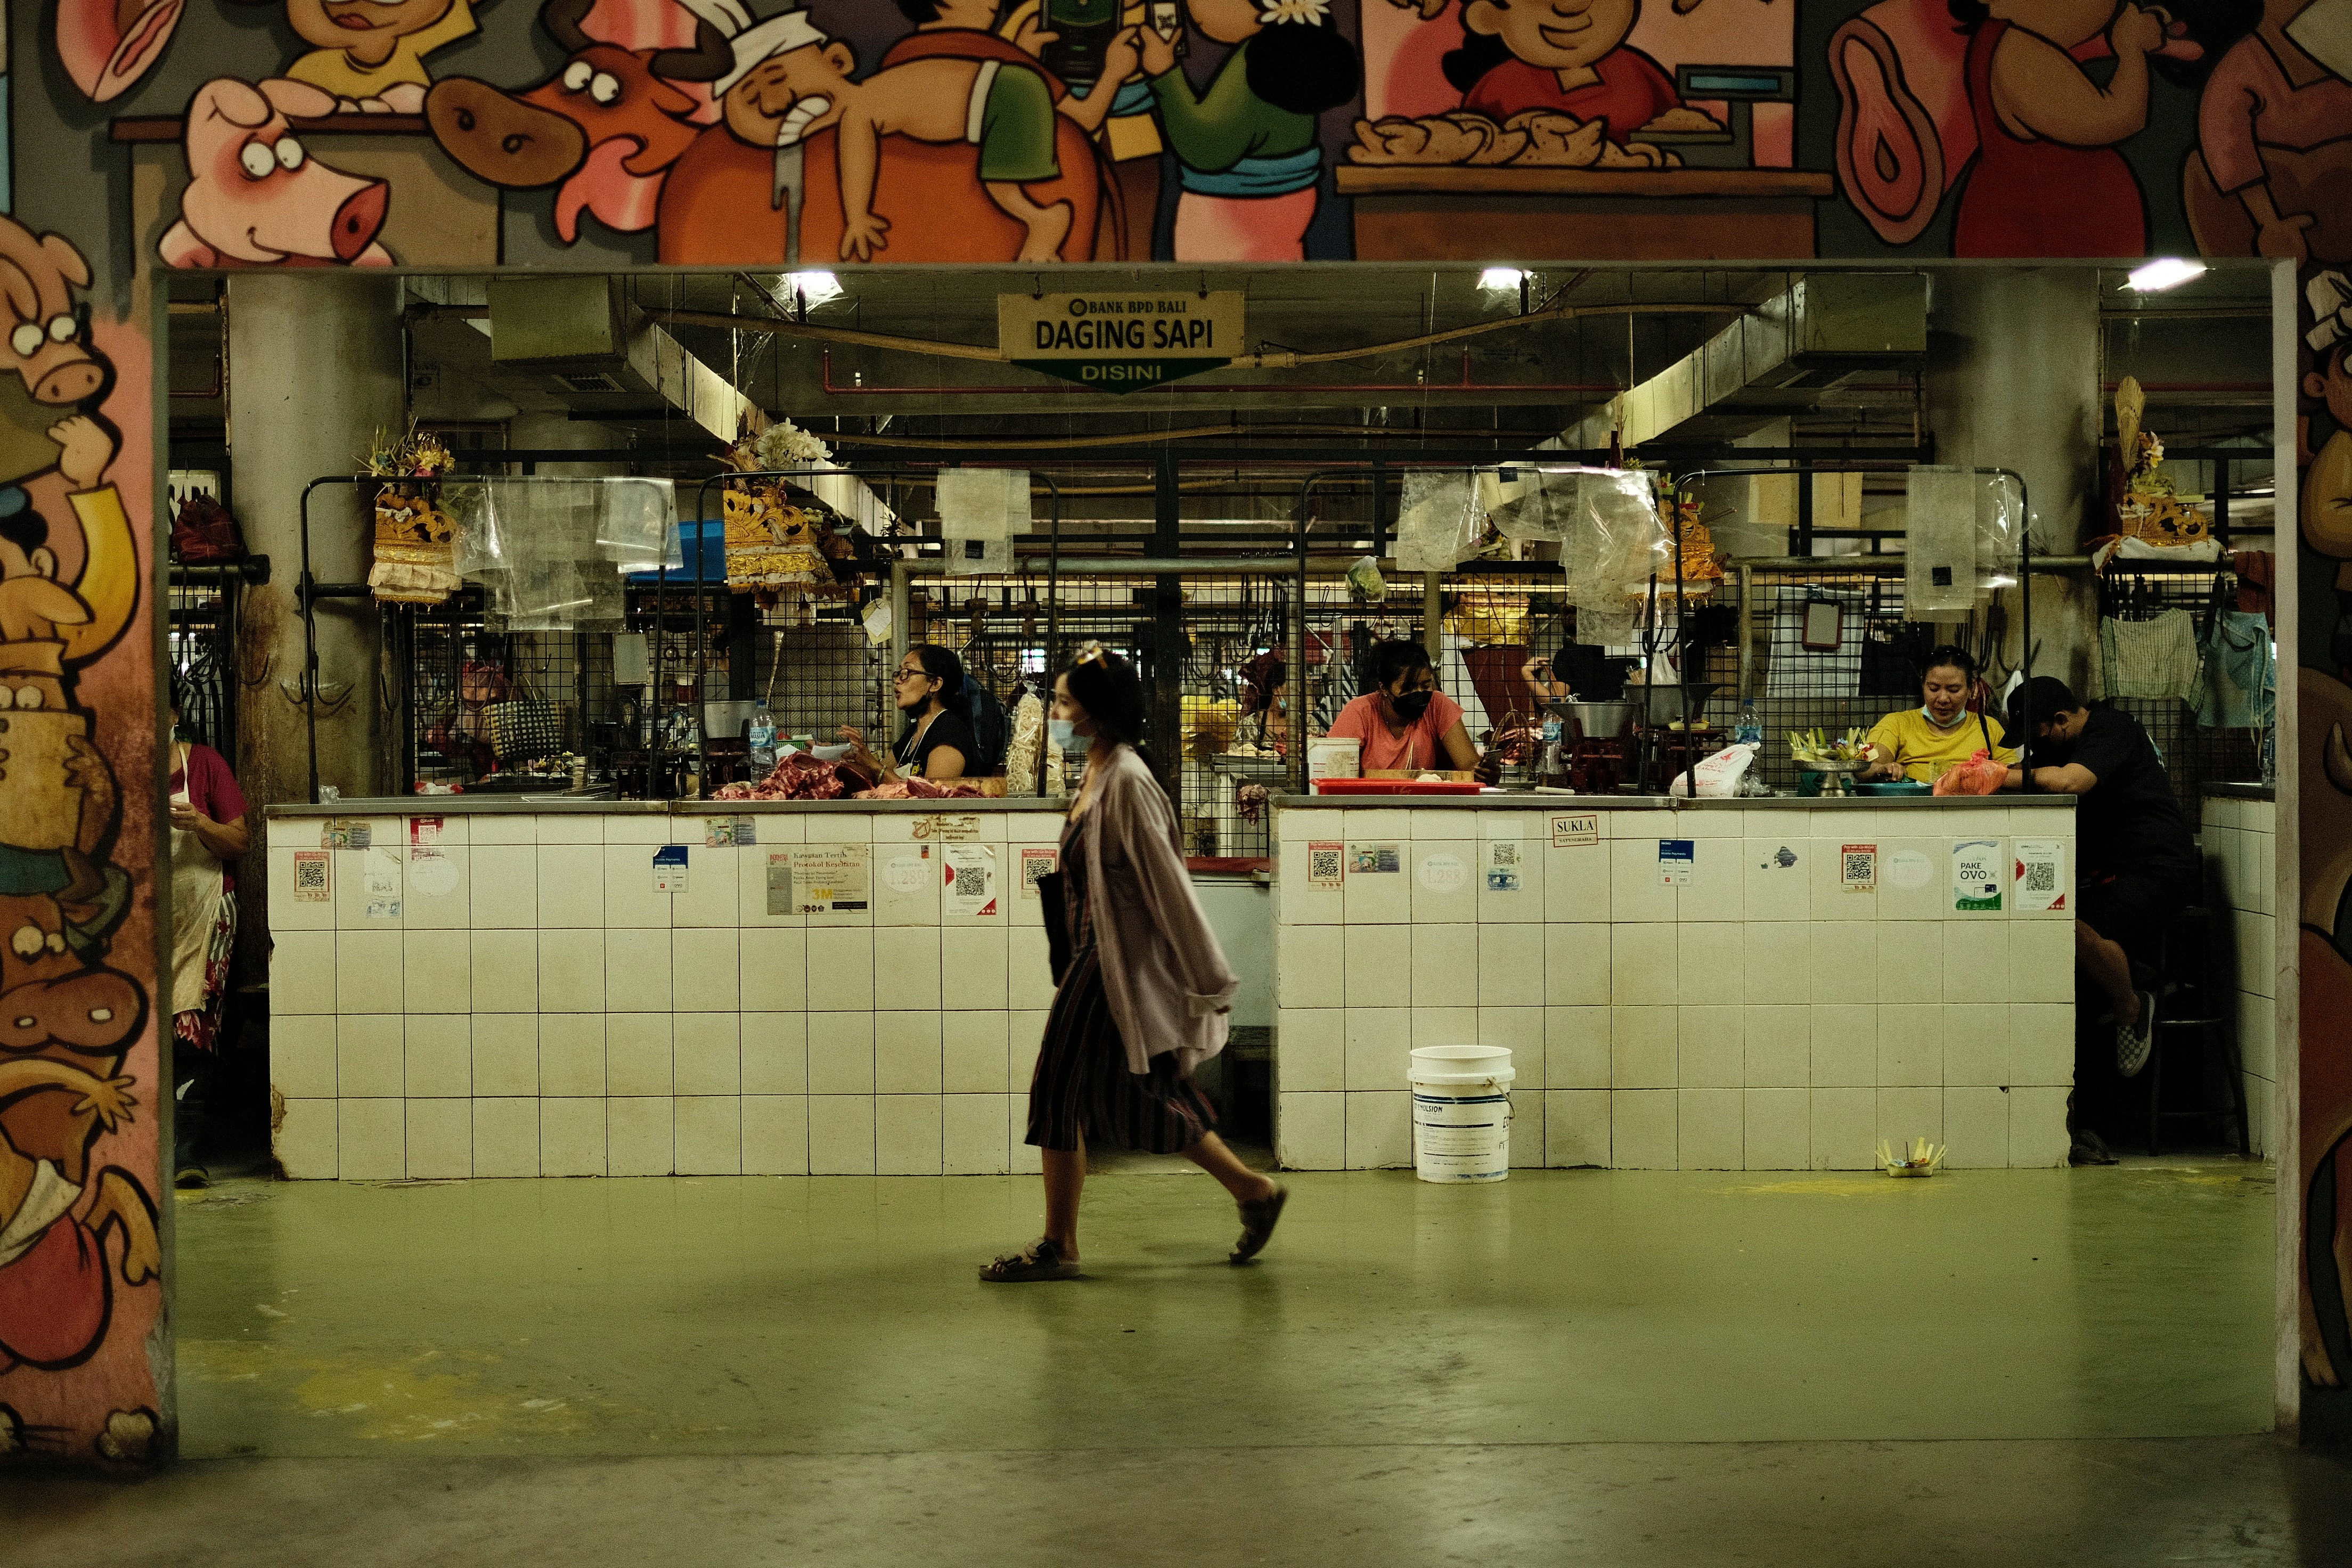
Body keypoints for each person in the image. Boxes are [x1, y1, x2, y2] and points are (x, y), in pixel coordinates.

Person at [984, 643, 1286, 1281]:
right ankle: (1254, 1192)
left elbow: (1169, 886)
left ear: (1094, 713)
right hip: (1092, 956)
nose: (1056, 712)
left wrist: (1208, 980)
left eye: (1065, 701)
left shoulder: (1126, 778)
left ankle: (1059, 1245)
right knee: (1140, 1094)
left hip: (1107, 963)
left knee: (1056, 1091)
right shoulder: (1096, 769)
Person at [2002, 675, 2199, 1087]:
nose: (2036, 747)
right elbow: (2028, 770)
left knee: (2064, 924)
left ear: (2061, 720)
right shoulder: (2060, 740)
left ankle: (2130, 1005)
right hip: (2113, 873)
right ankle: (2133, 974)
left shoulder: (2113, 728)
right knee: (2047, 922)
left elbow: (2072, 781)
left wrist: (1998, 778)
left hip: (2158, 869)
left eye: (2038, 736)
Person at [1136, 0, 1360, 262]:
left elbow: (1206, 148)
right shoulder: (1293, 50)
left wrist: (1164, 73)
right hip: (1289, 200)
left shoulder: (1257, 60)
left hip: (1234, 208)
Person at [168, 690, 249, 1188]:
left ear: (175, 715)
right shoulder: (119, 766)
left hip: (205, 915)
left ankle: (186, 1152)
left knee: (193, 1026)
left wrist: (200, 823)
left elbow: (239, 842)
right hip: (142, 919)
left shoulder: (205, 765)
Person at [1860, 644, 2020, 785]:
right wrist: (1885, 769)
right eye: (1934, 688)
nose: (1943, 699)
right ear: (1923, 684)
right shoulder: (1897, 724)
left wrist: (1978, 776)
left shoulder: (1989, 727)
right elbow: (1864, 768)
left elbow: (2014, 775)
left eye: (1953, 690)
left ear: (1971, 688)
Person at [1324, 639, 1480, 773]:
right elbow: (1333, 769)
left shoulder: (1438, 705)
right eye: (1408, 688)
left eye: (1426, 686)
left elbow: (1470, 767)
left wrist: (1483, 772)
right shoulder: (1360, 712)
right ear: (1384, 688)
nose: (1419, 693)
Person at [840, 643, 977, 783]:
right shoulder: (914, 733)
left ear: (935, 684)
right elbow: (878, 776)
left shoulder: (949, 734)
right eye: (899, 673)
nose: (898, 681)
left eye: (907, 673)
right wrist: (836, 762)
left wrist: (874, 765)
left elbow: (931, 798)